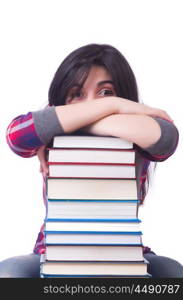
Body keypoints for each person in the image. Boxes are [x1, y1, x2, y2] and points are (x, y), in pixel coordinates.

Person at [1, 43, 183, 278]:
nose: (92, 104)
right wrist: (112, 105)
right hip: (53, 252)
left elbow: (165, 139)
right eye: (77, 94)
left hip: (124, 254)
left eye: (106, 92)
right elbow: (15, 136)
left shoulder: (140, 123)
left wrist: (73, 124)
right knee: (9, 274)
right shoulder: (56, 121)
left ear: (125, 96)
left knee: (173, 274)